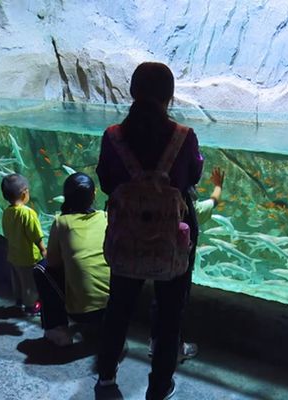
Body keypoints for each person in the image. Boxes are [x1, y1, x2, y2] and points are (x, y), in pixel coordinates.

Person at [95, 62, 203, 400]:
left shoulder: (113, 136)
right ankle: (159, 387)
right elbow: (193, 176)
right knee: (171, 312)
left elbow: (106, 180)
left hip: (127, 230)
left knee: (119, 305)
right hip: (174, 232)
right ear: (170, 96)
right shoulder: (183, 137)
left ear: (132, 92)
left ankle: (107, 376)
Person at [148, 166, 225, 360]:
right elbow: (214, 201)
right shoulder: (193, 209)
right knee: (176, 305)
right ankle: (174, 349)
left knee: (159, 300)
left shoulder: (154, 202)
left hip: (156, 263)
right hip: (180, 267)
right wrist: (218, 185)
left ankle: (154, 342)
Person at [33, 173, 110, 347]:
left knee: (41, 268)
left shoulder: (62, 222)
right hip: (115, 308)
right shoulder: (105, 217)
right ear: (94, 194)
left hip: (83, 313)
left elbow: (52, 263)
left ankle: (57, 330)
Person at [1, 173, 46, 316]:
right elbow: (36, 235)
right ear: (24, 193)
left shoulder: (7, 212)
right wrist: (43, 250)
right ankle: (31, 307)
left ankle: (19, 301)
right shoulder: (28, 214)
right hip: (28, 258)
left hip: (13, 256)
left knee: (18, 281)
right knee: (30, 285)